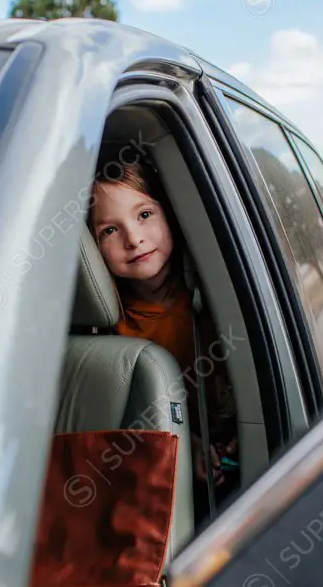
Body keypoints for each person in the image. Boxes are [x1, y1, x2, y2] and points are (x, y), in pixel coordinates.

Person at [86, 153, 240, 515]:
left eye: (143, 215)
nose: (134, 239)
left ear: (171, 214)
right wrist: (190, 443)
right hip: (159, 472)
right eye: (109, 230)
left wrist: (239, 433)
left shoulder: (220, 298)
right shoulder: (108, 331)